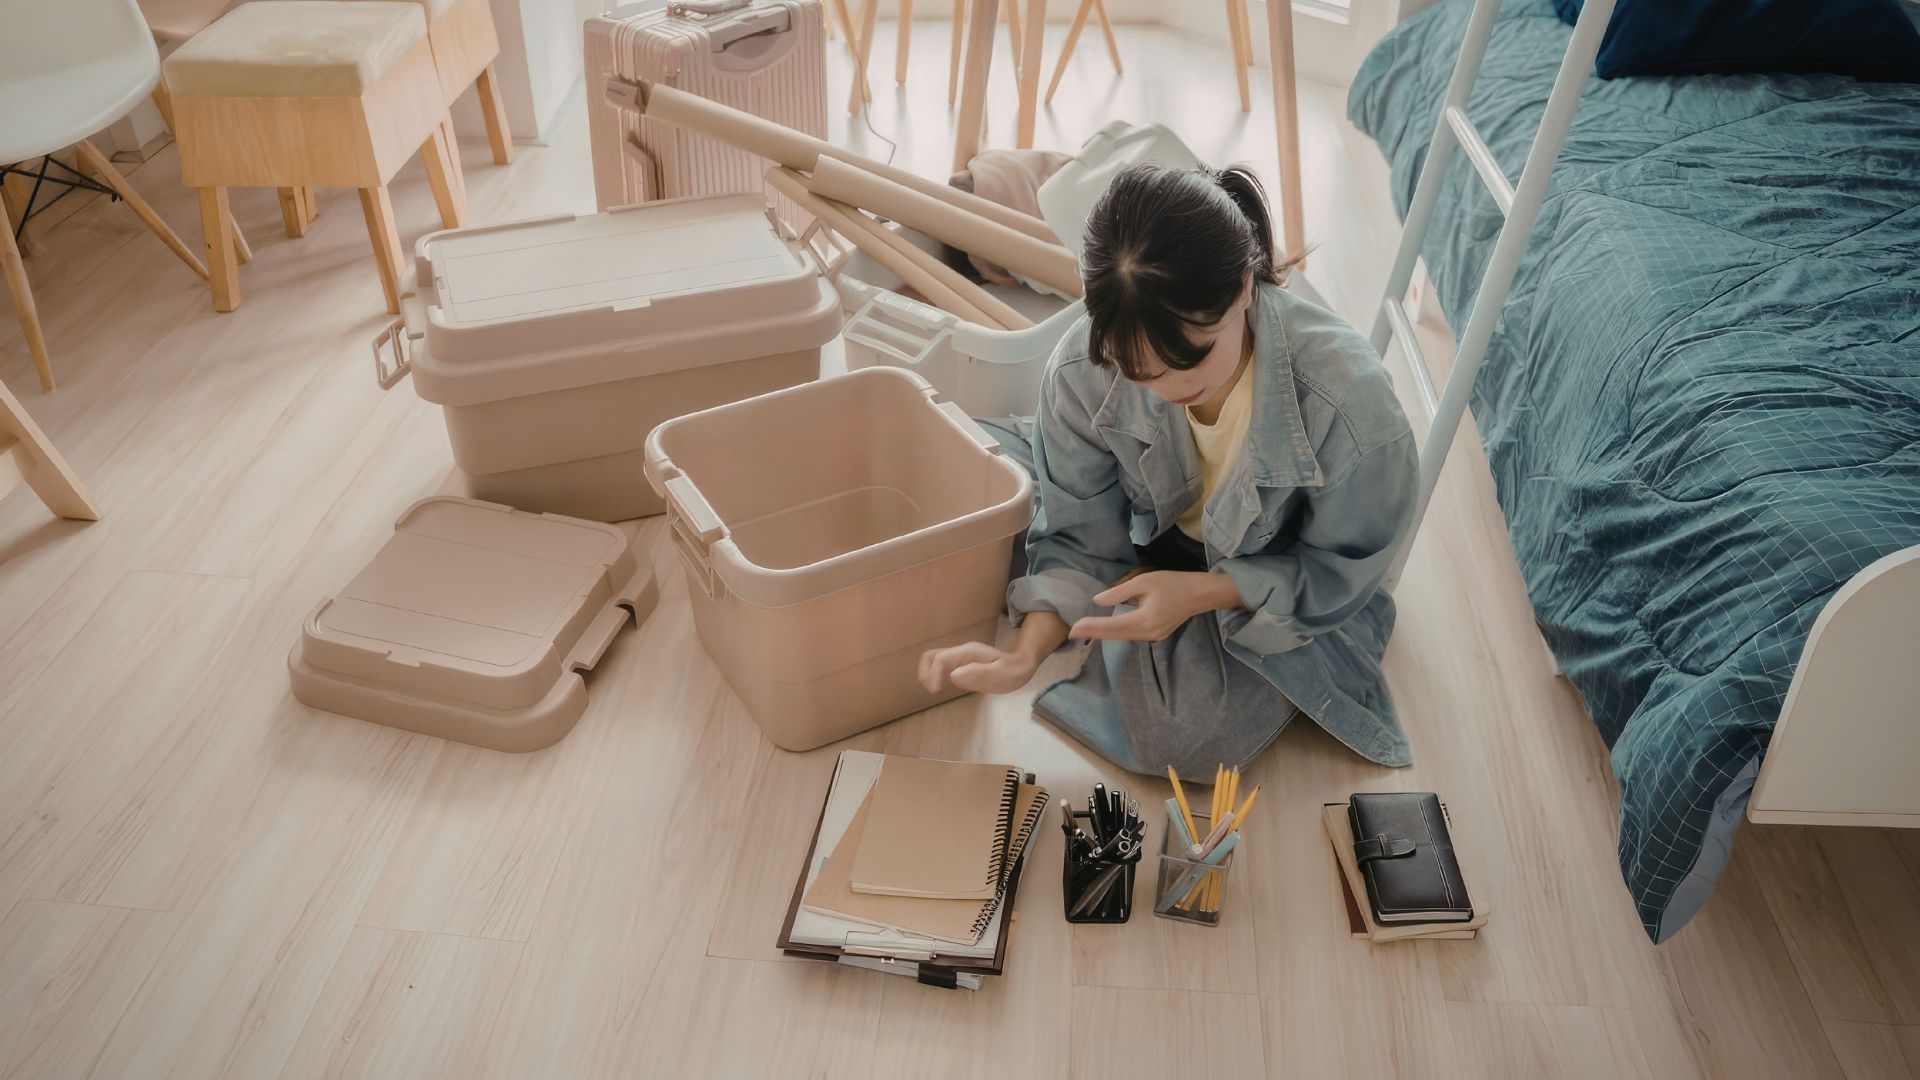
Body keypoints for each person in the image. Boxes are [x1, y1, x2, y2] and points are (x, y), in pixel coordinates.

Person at [917, 164, 1420, 776]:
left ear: (1242, 287)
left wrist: (1205, 592)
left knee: (1181, 737)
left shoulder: (1352, 406)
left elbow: (1342, 572)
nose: (1167, 390)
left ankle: (1148, 622)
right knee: (956, 475)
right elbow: (1079, 533)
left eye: (1191, 358)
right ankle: (1128, 612)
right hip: (1148, 529)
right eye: (1138, 371)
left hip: (1274, 577)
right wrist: (1024, 654)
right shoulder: (1082, 365)